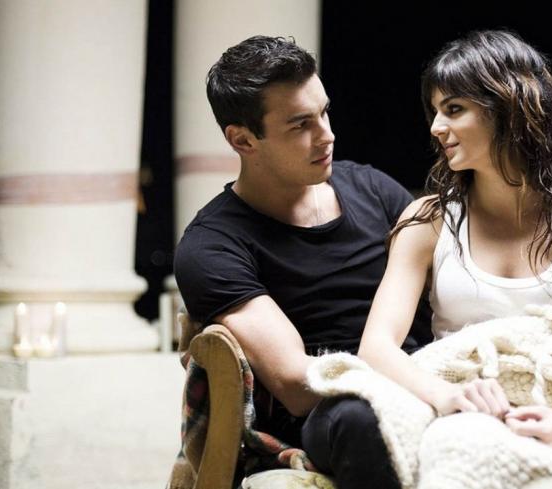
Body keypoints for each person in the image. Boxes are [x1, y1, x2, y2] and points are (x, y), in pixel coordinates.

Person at [173, 35, 431, 488]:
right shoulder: (212, 246)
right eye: (300, 125)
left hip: (421, 370)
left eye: (324, 112)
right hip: (332, 409)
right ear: (242, 139)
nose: (326, 135)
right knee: (362, 419)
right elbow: (294, 384)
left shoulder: (373, 190)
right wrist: (403, 375)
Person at [358, 29, 552, 449]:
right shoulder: (428, 221)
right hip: (458, 414)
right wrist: (446, 396)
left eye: (454, 109)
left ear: (510, 108)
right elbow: (376, 347)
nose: (436, 127)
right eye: (435, 111)